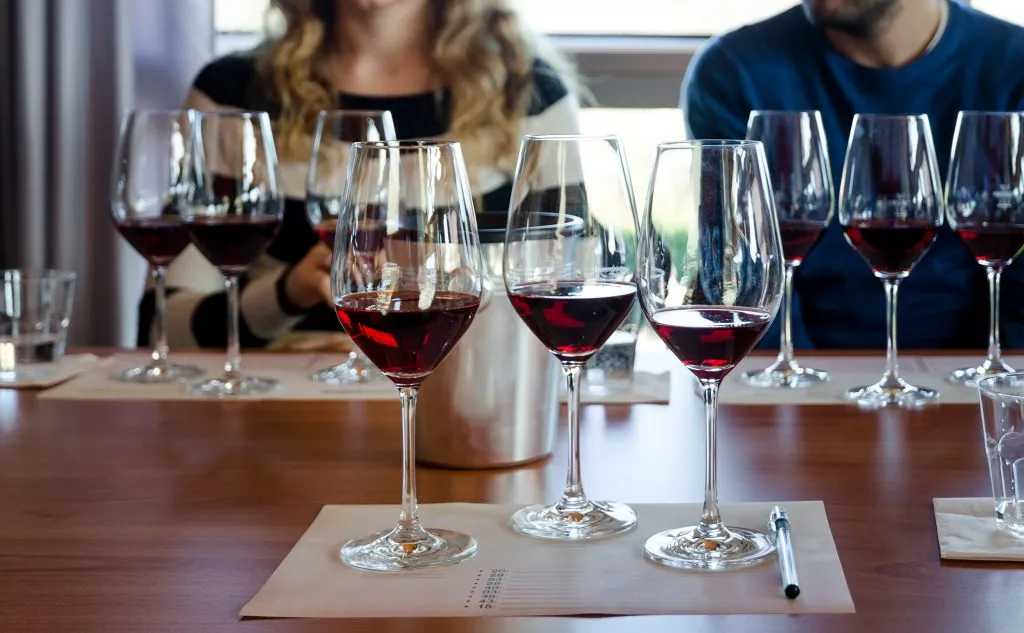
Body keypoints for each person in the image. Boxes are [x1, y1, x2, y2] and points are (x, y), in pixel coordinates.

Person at [145, 0, 581, 349]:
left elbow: (570, 312)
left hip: (471, 405)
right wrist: (286, 293)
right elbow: (164, 324)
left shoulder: (531, 96)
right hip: (279, 416)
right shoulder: (230, 95)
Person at [682, 0, 1024, 349]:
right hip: (800, 377)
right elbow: (737, 280)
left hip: (972, 377)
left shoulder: (1014, 65)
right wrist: (800, 393)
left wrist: (992, 387)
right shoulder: (733, 70)